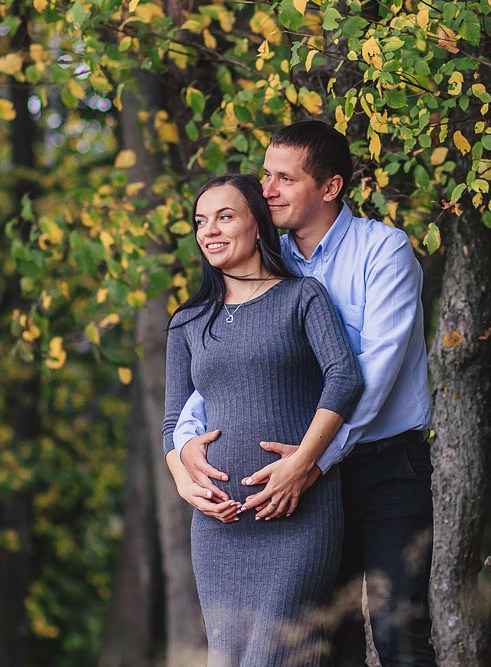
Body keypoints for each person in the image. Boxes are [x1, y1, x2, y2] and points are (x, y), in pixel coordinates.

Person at [173, 122, 437, 667]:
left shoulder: (381, 251)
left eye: (284, 179)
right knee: (324, 641)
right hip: (301, 485)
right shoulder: (273, 262)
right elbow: (229, 369)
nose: (267, 189)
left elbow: (370, 374)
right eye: (266, 175)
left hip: (382, 466)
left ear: (331, 186)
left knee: (399, 631)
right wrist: (183, 444)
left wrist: (312, 460)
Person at [162, 173, 363, 667]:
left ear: (257, 224)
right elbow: (172, 422)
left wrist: (305, 462)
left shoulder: (301, 296)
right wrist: (185, 483)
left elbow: (344, 378)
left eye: (224, 216)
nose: (209, 230)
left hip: (297, 512)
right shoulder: (188, 321)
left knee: (275, 657)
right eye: (200, 221)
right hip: (219, 524)